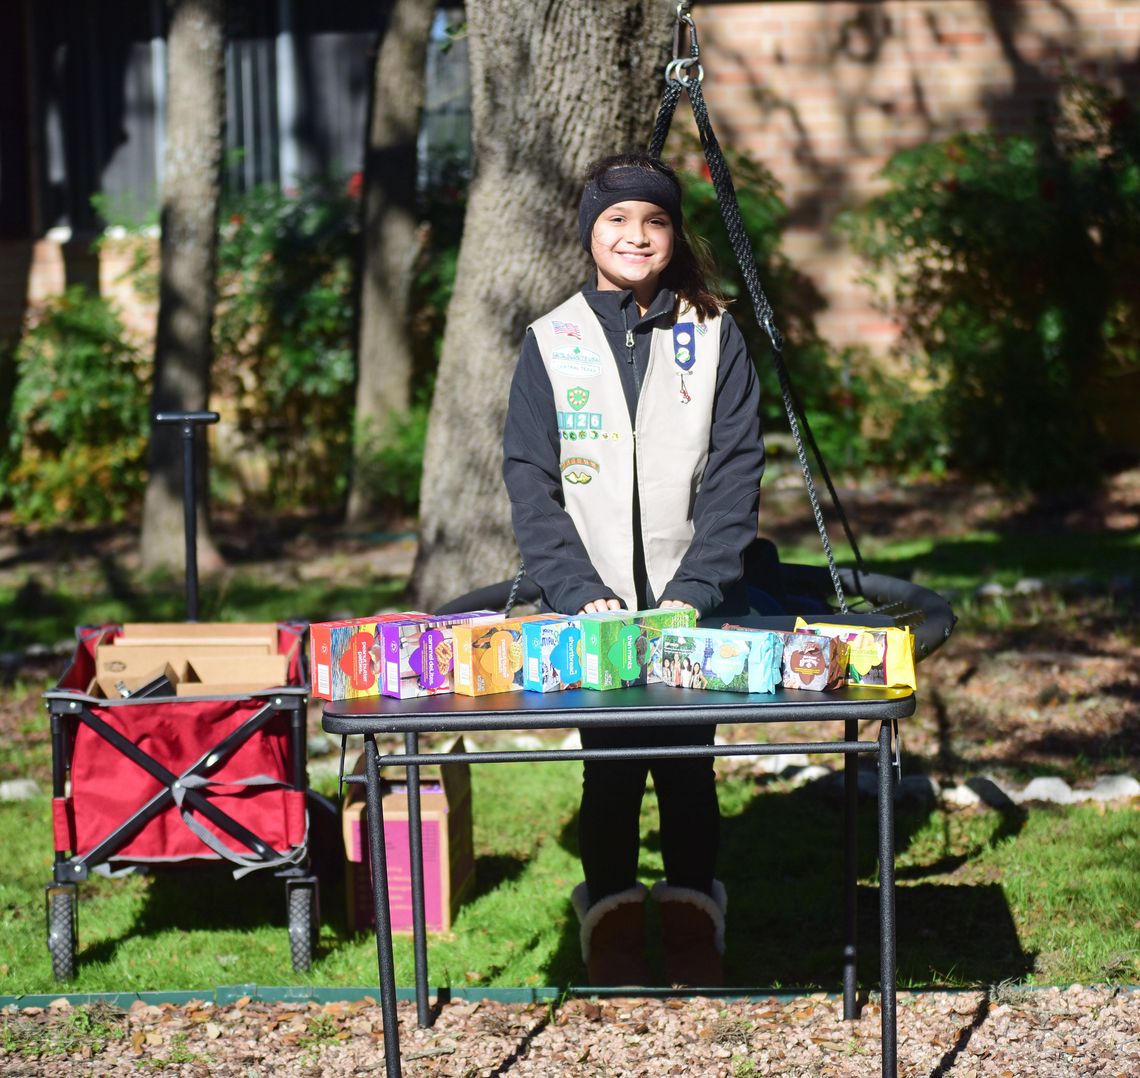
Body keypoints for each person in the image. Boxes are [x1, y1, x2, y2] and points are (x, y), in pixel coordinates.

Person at [502, 152, 764, 988]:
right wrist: (578, 591)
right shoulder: (553, 340)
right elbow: (530, 479)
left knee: (689, 764)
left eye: (653, 220)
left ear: (673, 234)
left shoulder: (712, 331)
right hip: (596, 610)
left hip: (694, 603)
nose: (635, 235)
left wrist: (698, 587)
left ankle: (692, 914)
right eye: (616, 220)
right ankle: (611, 914)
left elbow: (735, 470)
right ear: (590, 236)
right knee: (608, 767)